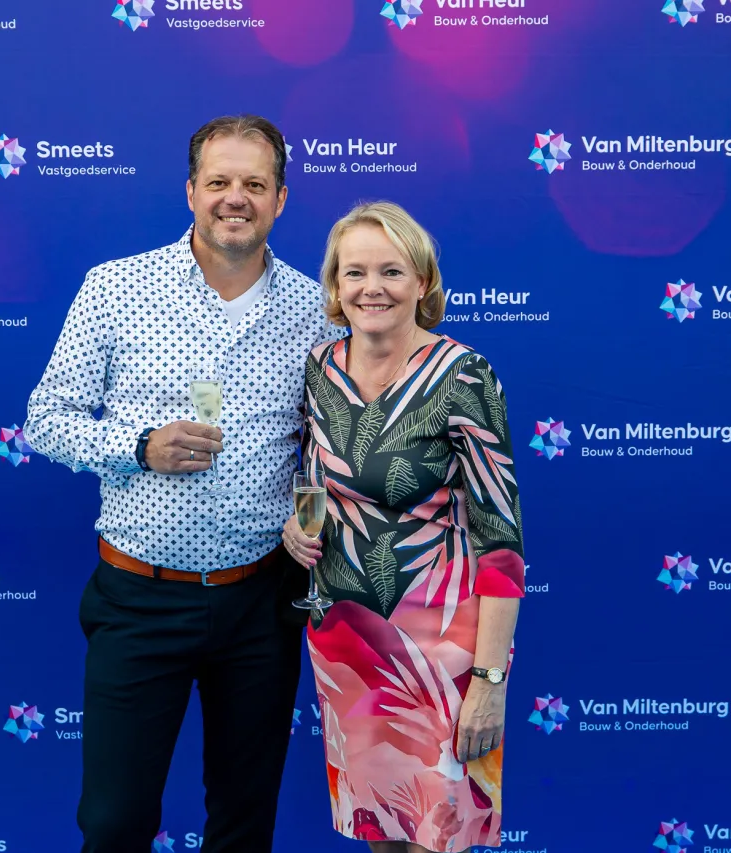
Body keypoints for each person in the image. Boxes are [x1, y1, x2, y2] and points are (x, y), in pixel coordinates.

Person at [22, 114, 337, 853]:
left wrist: (310, 514)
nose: (236, 198)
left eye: (255, 183)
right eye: (219, 181)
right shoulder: (116, 287)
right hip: (139, 598)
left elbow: (326, 447)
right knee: (114, 822)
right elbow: (46, 419)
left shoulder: (316, 312)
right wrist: (138, 447)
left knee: (243, 822)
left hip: (261, 602)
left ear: (281, 199)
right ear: (191, 191)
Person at [282, 201, 526, 852]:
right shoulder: (320, 368)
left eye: (391, 271)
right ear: (335, 286)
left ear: (423, 281)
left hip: (440, 655)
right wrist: (296, 527)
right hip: (346, 641)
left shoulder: (464, 376)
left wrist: (489, 682)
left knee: (436, 839)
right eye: (354, 272)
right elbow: (315, 475)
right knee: (381, 834)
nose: (372, 288)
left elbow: (502, 543)